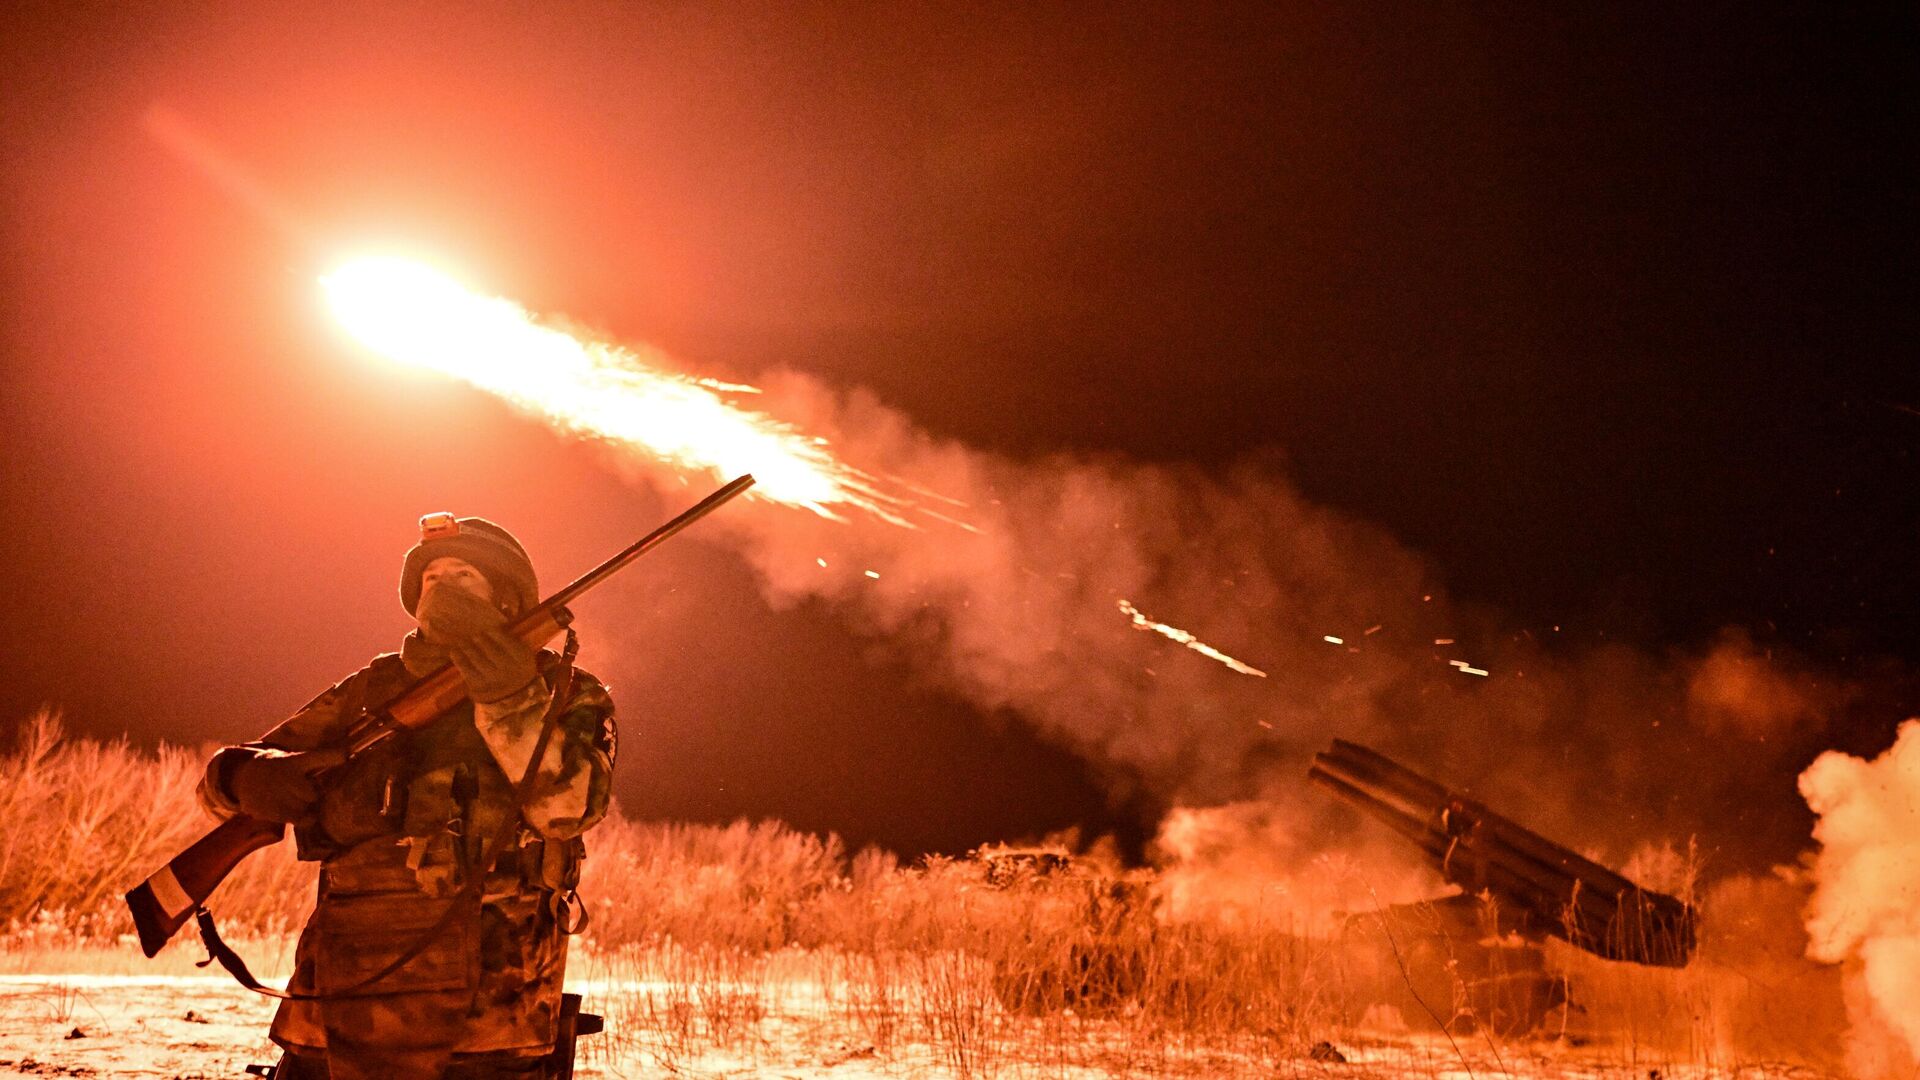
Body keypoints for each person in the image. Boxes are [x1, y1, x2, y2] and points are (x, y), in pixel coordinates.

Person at [196, 514, 616, 1079]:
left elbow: (567, 811)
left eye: (463, 576)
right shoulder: (372, 689)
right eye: (431, 579)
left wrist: (511, 699)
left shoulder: (565, 690)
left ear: (508, 598)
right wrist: (243, 776)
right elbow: (219, 793)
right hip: (338, 1002)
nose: (441, 589)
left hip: (492, 1019)